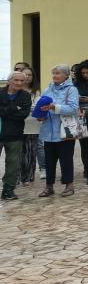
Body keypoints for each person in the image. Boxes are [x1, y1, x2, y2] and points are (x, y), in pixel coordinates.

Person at [37, 65, 80, 197]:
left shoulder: (71, 89)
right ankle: (49, 187)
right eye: (53, 73)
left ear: (66, 75)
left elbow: (73, 109)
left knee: (65, 159)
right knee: (49, 161)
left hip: (64, 131)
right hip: (48, 130)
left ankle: (69, 186)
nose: (54, 76)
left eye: (57, 73)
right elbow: (41, 106)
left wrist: (54, 107)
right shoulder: (47, 89)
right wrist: (40, 114)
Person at [0, 72, 32, 201]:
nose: (19, 83)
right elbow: (17, 112)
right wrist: (15, 108)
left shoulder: (25, 96)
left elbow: (23, 114)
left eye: (21, 81)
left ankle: (8, 190)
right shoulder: (0, 92)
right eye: (16, 80)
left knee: (13, 164)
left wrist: (4, 111)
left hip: (15, 134)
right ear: (9, 80)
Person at [19, 66, 44, 185]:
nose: (27, 77)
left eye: (30, 75)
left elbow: (37, 107)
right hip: (18, 125)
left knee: (31, 152)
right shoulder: (16, 90)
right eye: (25, 74)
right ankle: (19, 176)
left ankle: (29, 177)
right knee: (19, 152)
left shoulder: (36, 91)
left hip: (33, 125)